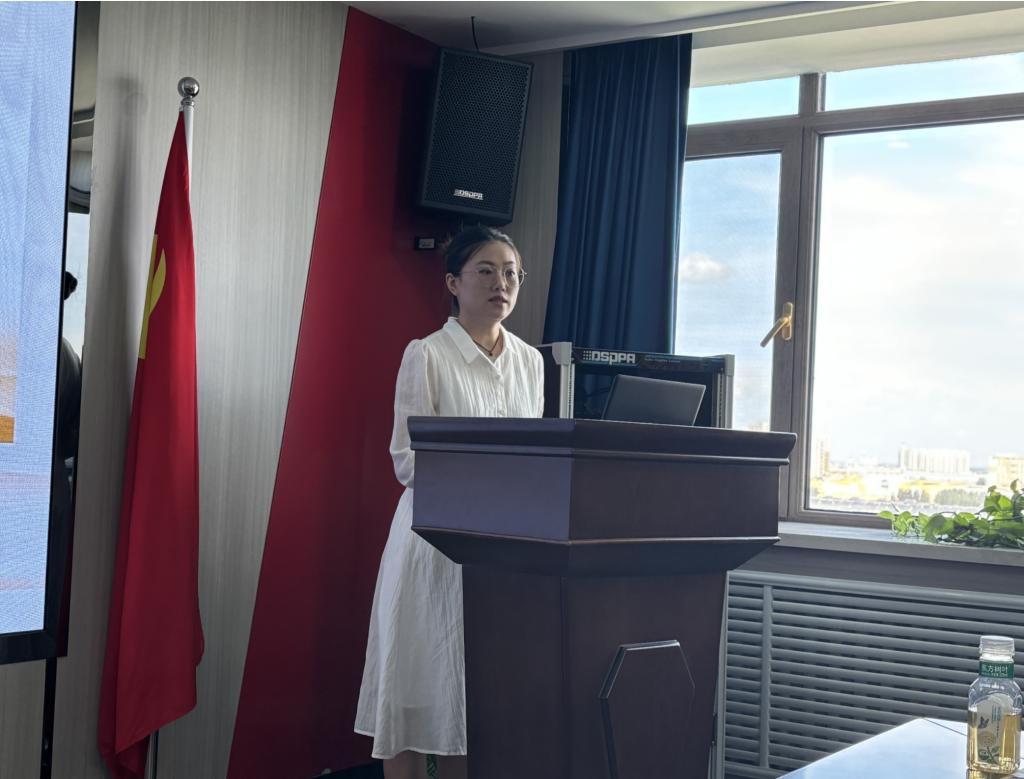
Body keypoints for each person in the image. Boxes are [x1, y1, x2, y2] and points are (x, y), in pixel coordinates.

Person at [354, 225, 545, 779]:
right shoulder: (427, 355)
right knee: (414, 687)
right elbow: (407, 460)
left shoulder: (531, 362)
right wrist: (491, 475)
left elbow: (536, 454)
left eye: (510, 273)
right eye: (485, 271)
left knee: (473, 694)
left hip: (500, 549)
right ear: (453, 283)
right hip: (433, 542)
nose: (500, 283)